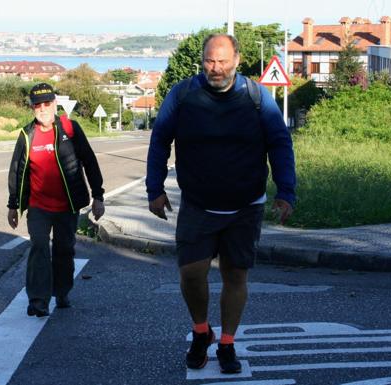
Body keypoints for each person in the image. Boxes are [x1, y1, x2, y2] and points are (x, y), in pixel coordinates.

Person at [146, 34, 296, 373]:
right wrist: (154, 188)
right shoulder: (183, 95)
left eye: (223, 61)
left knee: (235, 276)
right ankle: (202, 332)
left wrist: (286, 191)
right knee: (191, 274)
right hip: (198, 205)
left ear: (237, 60)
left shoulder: (257, 97)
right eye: (210, 61)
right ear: (203, 61)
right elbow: (160, 141)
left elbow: (280, 143)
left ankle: (227, 343)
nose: (216, 68)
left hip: (246, 206)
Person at [7, 83, 105, 317]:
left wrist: (98, 195)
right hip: (38, 206)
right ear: (32, 108)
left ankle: (61, 291)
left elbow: (90, 161)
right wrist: (13, 205)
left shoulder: (70, 129)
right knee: (39, 247)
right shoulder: (26, 135)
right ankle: (38, 301)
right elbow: (17, 171)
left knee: (64, 250)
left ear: (54, 104)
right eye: (37, 105)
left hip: (66, 205)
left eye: (47, 104)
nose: (42, 109)